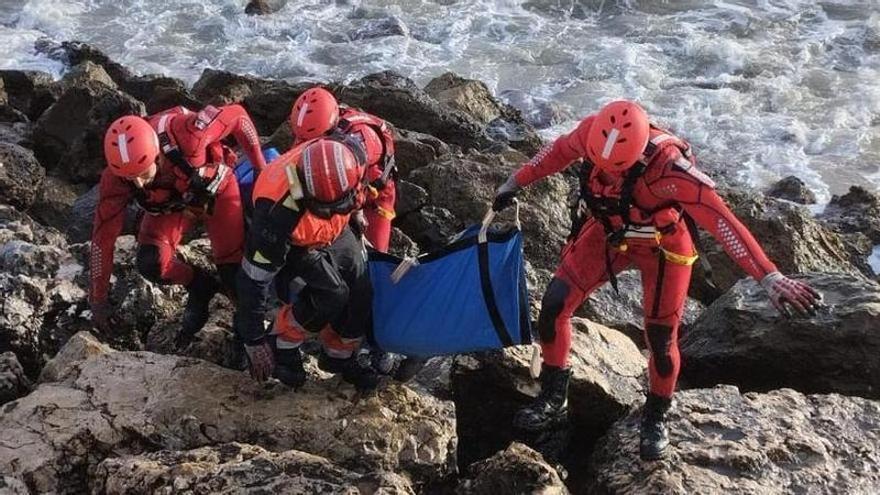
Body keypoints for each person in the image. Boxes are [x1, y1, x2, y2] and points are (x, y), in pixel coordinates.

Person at [492, 100, 822, 460]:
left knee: (662, 342)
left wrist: (769, 276)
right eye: (599, 168)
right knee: (554, 305)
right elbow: (556, 153)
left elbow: (722, 222)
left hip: (663, 248)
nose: (606, 177)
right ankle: (555, 395)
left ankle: (657, 414)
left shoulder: (671, 171)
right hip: (610, 234)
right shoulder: (591, 132)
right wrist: (514, 181)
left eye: (615, 171)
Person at [90, 105, 267, 346]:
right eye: (130, 179)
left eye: (143, 174)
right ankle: (201, 286)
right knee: (151, 263)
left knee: (233, 274)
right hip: (173, 205)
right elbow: (103, 239)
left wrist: (260, 168)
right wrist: (98, 300)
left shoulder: (189, 134)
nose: (139, 185)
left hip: (217, 192)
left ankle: (246, 330)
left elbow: (237, 116)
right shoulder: (115, 180)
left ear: (157, 155)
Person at [234, 138, 379, 391]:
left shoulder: (353, 154)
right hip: (298, 240)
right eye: (324, 206)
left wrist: (354, 212)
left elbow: (368, 180)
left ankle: (339, 356)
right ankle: (281, 343)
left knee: (362, 287)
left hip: (335, 227)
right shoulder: (276, 215)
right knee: (332, 293)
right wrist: (254, 339)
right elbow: (253, 280)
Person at [289, 86, 397, 252]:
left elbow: (356, 185)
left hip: (375, 195)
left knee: (376, 252)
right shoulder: (314, 128)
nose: (303, 143)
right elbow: (292, 162)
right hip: (343, 181)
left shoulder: (361, 142)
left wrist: (357, 213)